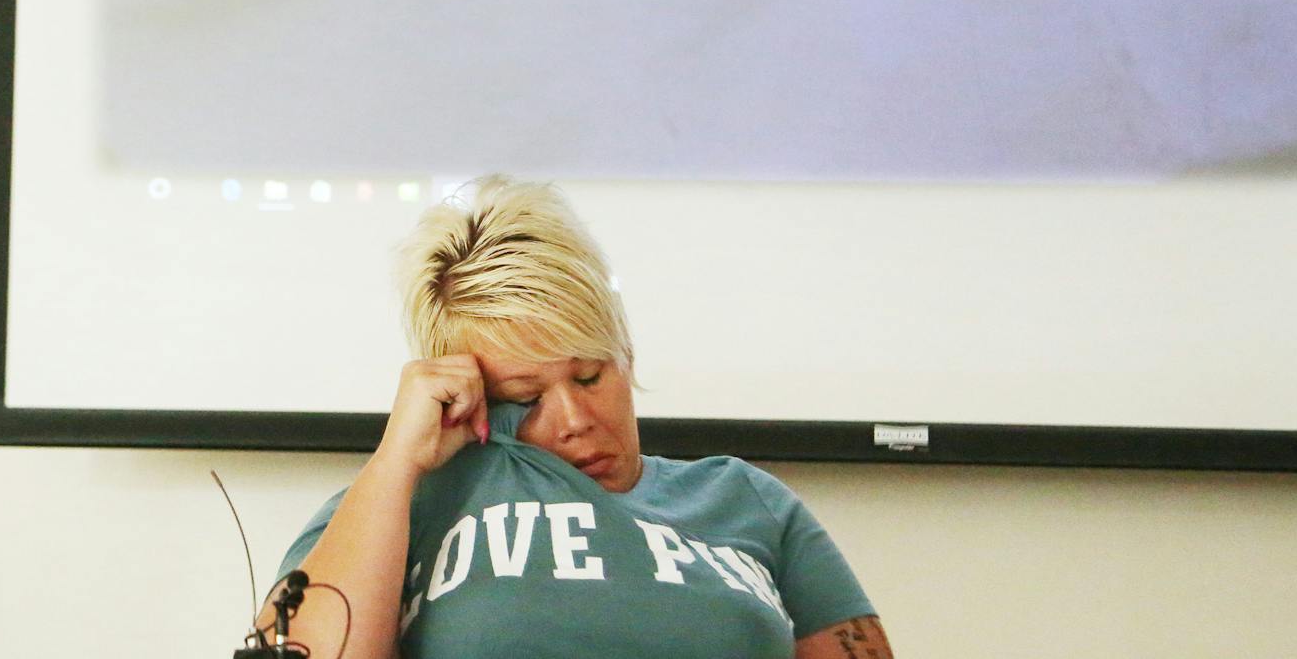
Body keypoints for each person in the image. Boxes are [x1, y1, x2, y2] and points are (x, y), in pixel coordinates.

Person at [264, 176, 892, 659]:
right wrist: (397, 460)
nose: (574, 419)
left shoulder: (746, 499)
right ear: (468, 396)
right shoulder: (400, 507)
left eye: (590, 375)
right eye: (524, 394)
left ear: (626, 352)